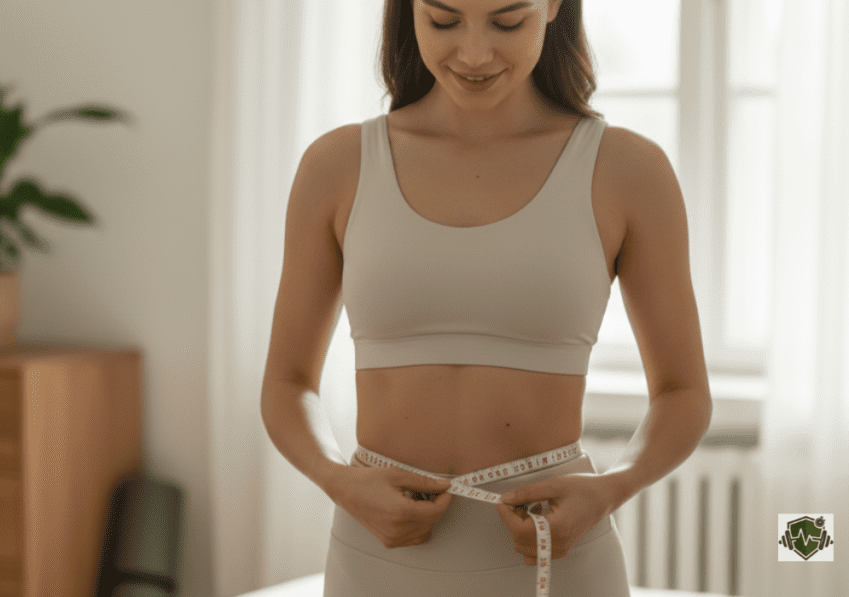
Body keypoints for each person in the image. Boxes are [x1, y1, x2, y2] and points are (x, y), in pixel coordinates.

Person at [260, 0, 713, 595]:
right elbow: (287, 383)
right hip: (376, 558)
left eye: (507, 21)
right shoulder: (337, 166)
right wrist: (337, 480)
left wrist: (611, 489)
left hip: (558, 557)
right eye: (443, 21)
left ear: (552, 7)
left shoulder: (628, 170)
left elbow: (683, 394)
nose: (473, 53)